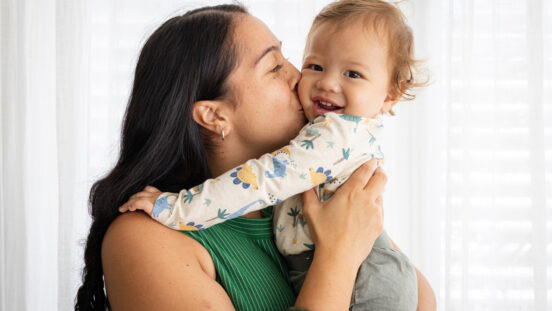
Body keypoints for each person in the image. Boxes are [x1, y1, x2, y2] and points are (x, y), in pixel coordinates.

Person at [75, 3, 436, 311]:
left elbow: (421, 299)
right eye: (275, 67)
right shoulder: (144, 239)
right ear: (215, 116)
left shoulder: (300, 197)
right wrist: (337, 255)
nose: (300, 78)